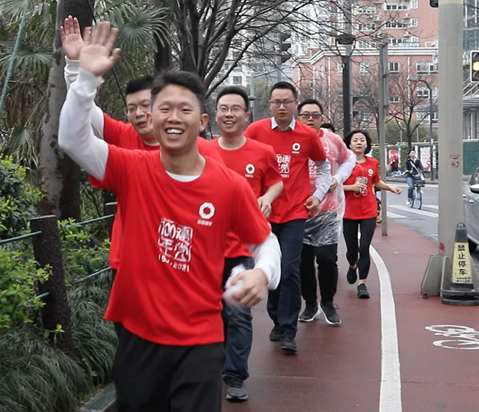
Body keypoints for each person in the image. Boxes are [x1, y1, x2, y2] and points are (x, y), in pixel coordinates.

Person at [58, 22, 281, 412]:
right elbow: (72, 139)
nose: (173, 117)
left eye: (184, 109)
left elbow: (265, 241)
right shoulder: (130, 168)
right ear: (152, 117)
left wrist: (263, 273)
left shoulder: (228, 186)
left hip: (200, 340)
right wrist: (84, 78)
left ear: (202, 121)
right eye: (164, 108)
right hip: (138, 336)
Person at [60, 16, 223, 278]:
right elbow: (81, 118)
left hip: (184, 265)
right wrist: (76, 67)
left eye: (146, 106)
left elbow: (230, 211)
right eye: (131, 108)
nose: (138, 114)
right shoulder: (122, 140)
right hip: (130, 263)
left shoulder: (204, 152)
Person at [244, 81, 331, 354]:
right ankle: (276, 319)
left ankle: (288, 328)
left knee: (290, 268)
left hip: (295, 212)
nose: (281, 107)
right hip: (264, 213)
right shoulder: (255, 131)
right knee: (270, 268)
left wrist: (318, 194)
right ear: (269, 105)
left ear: (295, 104)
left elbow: (323, 166)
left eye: (286, 102)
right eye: (276, 102)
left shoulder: (307, 135)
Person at [210, 86, 283, 402]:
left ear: (246, 115)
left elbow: (276, 182)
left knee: (238, 313)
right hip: (205, 250)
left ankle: (235, 376)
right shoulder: (201, 151)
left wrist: (267, 197)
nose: (229, 114)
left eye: (235, 109)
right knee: (210, 314)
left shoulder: (261, 152)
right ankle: (210, 367)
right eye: (223, 108)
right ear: (215, 115)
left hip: (242, 249)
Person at [297, 100, 356, 326]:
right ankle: (310, 303)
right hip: (298, 211)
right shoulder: (291, 140)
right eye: (305, 115)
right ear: (298, 118)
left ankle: (328, 303)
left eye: (315, 115)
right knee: (303, 262)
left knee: (326, 259)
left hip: (328, 210)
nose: (310, 119)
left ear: (322, 118)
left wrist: (337, 178)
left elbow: (349, 159)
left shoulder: (332, 140)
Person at [342, 130, 402, 299]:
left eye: (362, 140)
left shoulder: (372, 162)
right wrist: (351, 187)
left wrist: (390, 188)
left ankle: (362, 284)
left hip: (368, 210)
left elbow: (376, 181)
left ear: (367, 144)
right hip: (348, 211)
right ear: (349, 144)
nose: (359, 143)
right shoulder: (343, 163)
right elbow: (334, 184)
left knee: (364, 247)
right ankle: (352, 265)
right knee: (352, 250)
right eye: (355, 140)